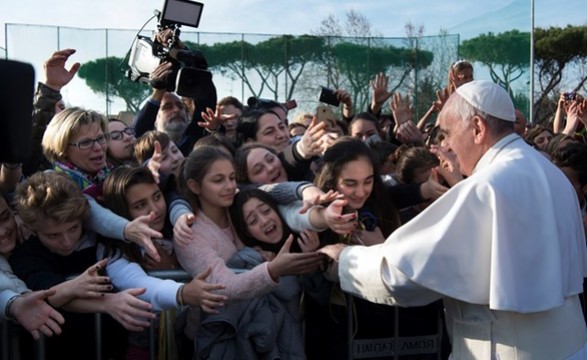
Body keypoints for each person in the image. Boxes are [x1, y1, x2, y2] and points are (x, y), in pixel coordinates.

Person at [319, 80, 587, 359]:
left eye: (447, 133)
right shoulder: (552, 172)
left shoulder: (488, 185)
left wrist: (347, 259)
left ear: (478, 128)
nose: (445, 145)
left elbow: (406, 274)